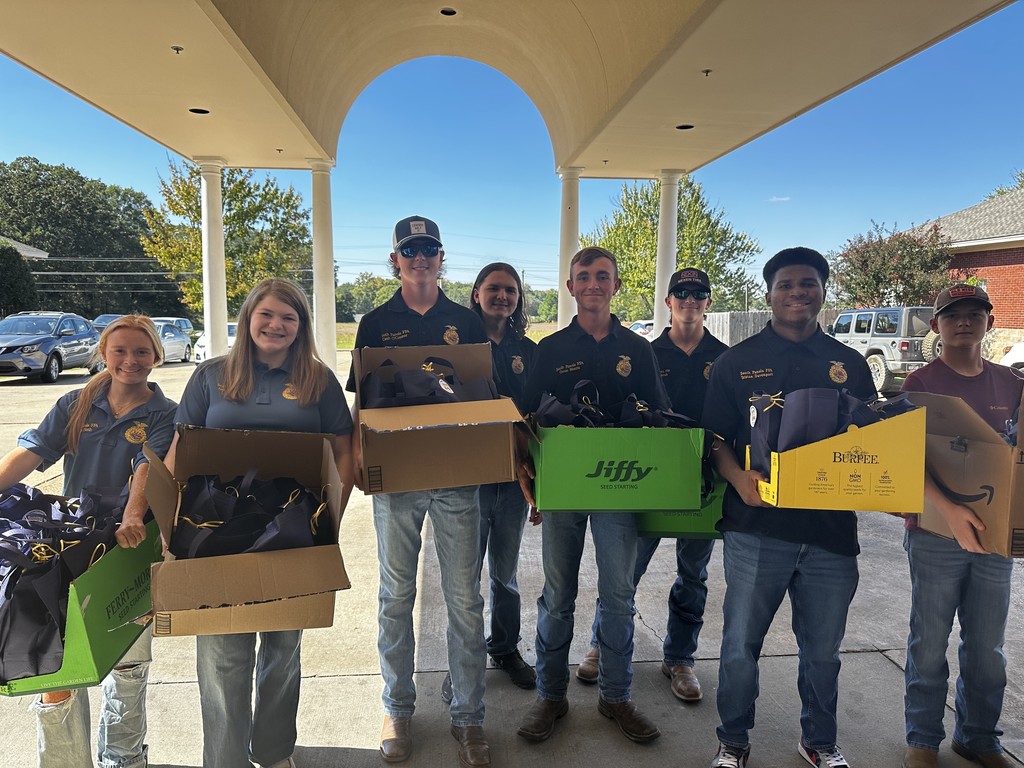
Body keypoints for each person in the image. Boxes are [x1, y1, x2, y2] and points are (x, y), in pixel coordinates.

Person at [701, 247, 876, 768]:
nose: (798, 292)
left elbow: (869, 442)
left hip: (831, 535)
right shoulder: (736, 362)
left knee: (822, 652)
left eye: (808, 283)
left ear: (824, 289)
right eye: (786, 284)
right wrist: (736, 477)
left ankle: (819, 742)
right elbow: (712, 438)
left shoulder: (848, 364)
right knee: (739, 647)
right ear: (769, 293)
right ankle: (733, 741)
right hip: (757, 528)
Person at [171, 278, 355, 768]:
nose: (276, 325)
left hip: (295, 528)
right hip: (218, 531)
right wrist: (166, 527)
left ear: (302, 327)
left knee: (282, 647)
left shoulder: (319, 379)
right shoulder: (210, 376)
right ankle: (225, 759)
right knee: (223, 651)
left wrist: (334, 516)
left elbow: (344, 450)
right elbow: (179, 452)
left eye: (289, 318)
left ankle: (274, 752)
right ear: (248, 318)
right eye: (266, 315)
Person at [0, 314, 177, 768]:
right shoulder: (75, 403)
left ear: (156, 356)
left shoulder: (166, 413)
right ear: (103, 353)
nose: (130, 360)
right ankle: (64, 762)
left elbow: (147, 468)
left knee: (127, 663)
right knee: (58, 667)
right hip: (71, 543)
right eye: (119, 350)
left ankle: (123, 760)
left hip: (130, 547)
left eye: (141, 351)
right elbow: (33, 451)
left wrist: (134, 515)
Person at [347, 216, 491, 768]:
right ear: (396, 260)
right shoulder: (375, 322)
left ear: (441, 256)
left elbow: (482, 395)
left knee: (463, 600)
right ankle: (397, 707)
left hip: (457, 476)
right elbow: (363, 400)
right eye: (410, 250)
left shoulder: (466, 321)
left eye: (429, 248)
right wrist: (360, 454)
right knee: (395, 597)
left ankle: (469, 717)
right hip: (399, 477)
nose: (420, 257)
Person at [516, 246, 669, 746]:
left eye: (603, 276)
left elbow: (659, 419)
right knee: (557, 597)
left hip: (619, 487)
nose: (593, 284)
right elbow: (526, 420)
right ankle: (550, 695)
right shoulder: (550, 348)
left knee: (619, 597)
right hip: (563, 490)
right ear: (570, 287)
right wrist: (530, 477)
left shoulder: (638, 348)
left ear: (617, 285)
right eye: (584, 276)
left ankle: (616, 697)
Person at [576, 267, 727, 704]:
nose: (690, 299)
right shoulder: (644, 352)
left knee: (693, 575)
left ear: (708, 302)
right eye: (681, 292)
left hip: (705, 479)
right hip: (648, 477)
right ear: (668, 301)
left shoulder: (725, 356)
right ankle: (603, 644)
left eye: (699, 293)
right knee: (623, 572)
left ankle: (679, 658)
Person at [899, 284, 1024, 768]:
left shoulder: (1013, 386)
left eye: (975, 313)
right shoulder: (919, 386)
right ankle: (922, 741)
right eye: (953, 315)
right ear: (936, 326)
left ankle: (979, 737)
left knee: (988, 649)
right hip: (936, 534)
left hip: (996, 539)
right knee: (928, 643)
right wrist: (949, 510)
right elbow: (907, 461)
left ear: (990, 322)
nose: (964, 322)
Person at [448, 263, 538, 695]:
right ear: (477, 293)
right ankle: (461, 661)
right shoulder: (457, 345)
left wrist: (541, 483)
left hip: (515, 479)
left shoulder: (529, 350)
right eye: (494, 288)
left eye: (510, 290)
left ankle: (504, 648)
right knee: (464, 579)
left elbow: (539, 417)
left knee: (505, 574)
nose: (503, 296)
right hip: (470, 477)